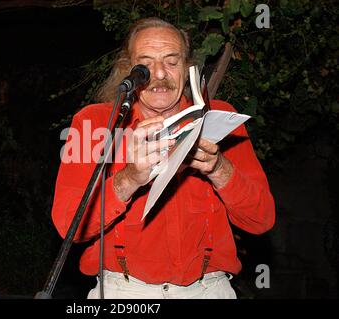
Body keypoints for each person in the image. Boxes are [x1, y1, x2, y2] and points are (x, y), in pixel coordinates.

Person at [51, 17, 275, 299]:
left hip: (209, 290)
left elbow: (261, 219)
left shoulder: (219, 118)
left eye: (172, 61)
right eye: (145, 64)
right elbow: (68, 225)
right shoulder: (94, 123)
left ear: (187, 67)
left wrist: (219, 168)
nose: (159, 74)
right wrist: (129, 178)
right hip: (125, 292)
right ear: (128, 71)